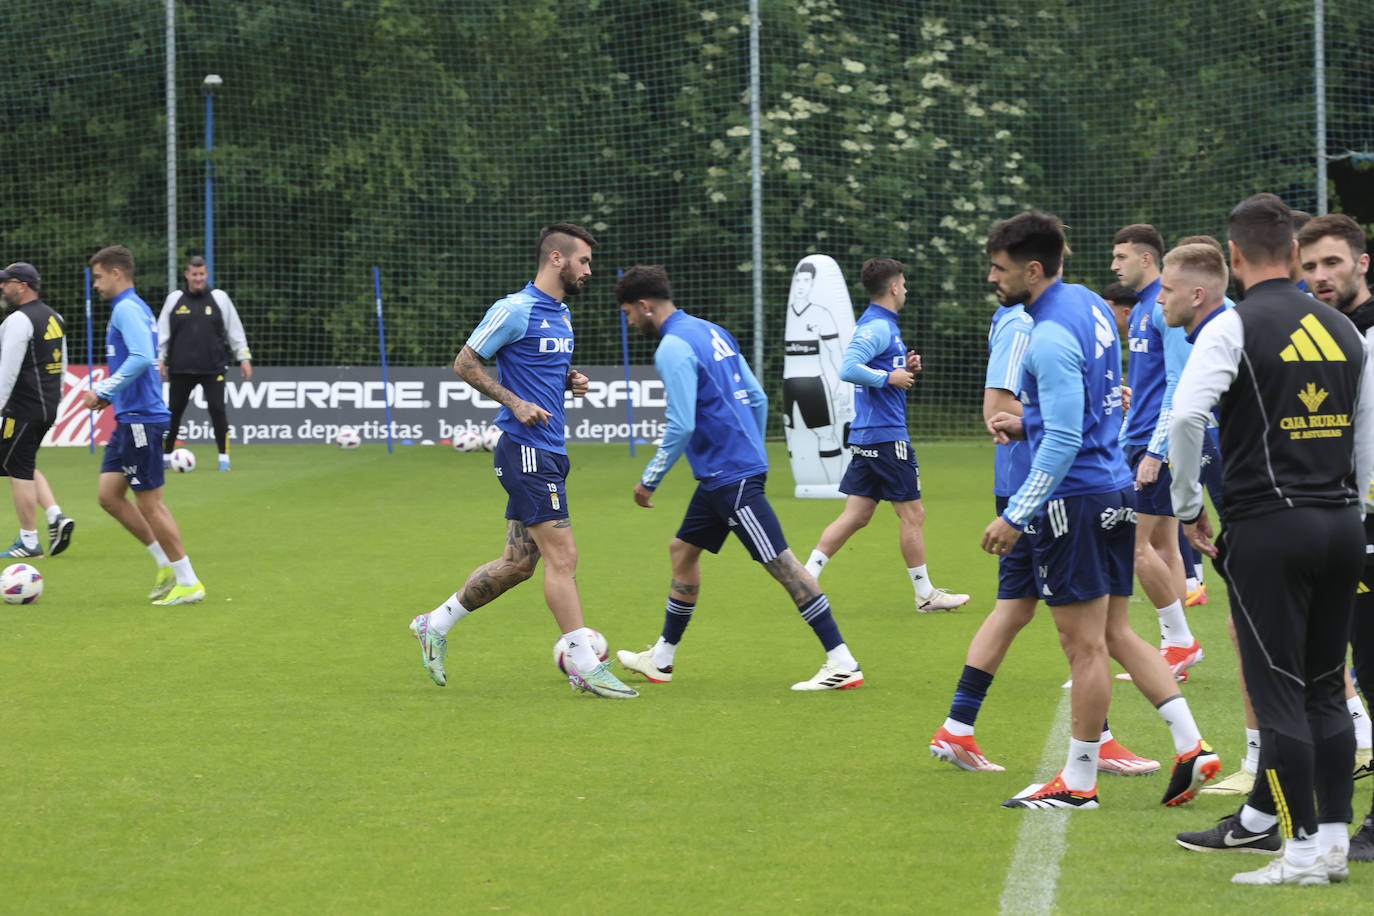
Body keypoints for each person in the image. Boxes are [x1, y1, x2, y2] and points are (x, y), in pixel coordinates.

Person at [981, 211, 1218, 810]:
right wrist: (1029, 418)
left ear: (1033, 269)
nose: (992, 278)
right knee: (1116, 633)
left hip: (1075, 501)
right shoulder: (1088, 302)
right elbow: (1089, 405)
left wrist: (1017, 514)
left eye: (1000, 269)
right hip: (1115, 489)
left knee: (1083, 646)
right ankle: (1193, 746)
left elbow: (1063, 441)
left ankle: (1079, 782)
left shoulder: (1049, 335)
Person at [1170, 194, 1373, 886]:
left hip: (1269, 525)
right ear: (1294, 255)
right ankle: (1337, 843)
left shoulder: (1231, 326)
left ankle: (1300, 850)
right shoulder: (1347, 331)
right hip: (1344, 522)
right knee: (1326, 689)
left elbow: (1185, 417)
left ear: (1233, 257)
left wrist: (1188, 503)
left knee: (1280, 691)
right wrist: (1353, 503)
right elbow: (1364, 438)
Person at [929, 258, 1157, 777]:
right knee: (1082, 627)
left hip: (1042, 489)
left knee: (1019, 610)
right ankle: (1099, 746)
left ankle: (958, 728)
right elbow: (998, 407)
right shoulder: (1022, 323)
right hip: (1038, 491)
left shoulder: (1058, 309)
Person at [407, 223, 636, 699]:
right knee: (564, 557)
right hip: (525, 450)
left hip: (551, 448)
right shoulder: (514, 309)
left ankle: (435, 623)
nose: (588, 270)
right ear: (557, 259)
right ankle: (586, 665)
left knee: (518, 564)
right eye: (584, 261)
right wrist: (514, 403)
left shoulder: (563, 314)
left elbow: (541, 368)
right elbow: (465, 362)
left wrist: (570, 380)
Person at [613, 265, 863, 691]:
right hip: (722, 474)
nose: (630, 322)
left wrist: (649, 480)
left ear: (644, 305)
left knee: (783, 565)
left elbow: (681, 425)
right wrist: (751, 446)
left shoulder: (672, 347)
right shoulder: (710, 331)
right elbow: (759, 396)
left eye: (628, 314)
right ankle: (662, 659)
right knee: (682, 551)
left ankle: (842, 662)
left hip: (730, 476)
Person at [801, 258, 968, 612]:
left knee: (857, 515)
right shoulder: (877, 326)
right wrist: (887, 378)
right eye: (904, 284)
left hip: (868, 436)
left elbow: (872, 367)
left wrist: (901, 368)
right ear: (893, 287)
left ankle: (805, 576)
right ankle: (925, 595)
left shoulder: (882, 326)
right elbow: (848, 368)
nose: (906, 290)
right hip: (886, 437)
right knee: (913, 515)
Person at [1296, 211, 1374, 859]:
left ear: (1361, 264)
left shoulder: (1367, 336)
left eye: (1332, 263)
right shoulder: (1323, 336)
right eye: (1310, 266)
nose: (1320, 277)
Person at [81, 246, 206, 605]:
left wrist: (103, 388)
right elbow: (138, 363)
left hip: (141, 419)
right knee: (108, 496)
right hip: (128, 417)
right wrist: (112, 397)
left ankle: (188, 580)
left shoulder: (126, 309)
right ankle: (165, 563)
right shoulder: (133, 307)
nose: (96, 285)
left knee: (150, 504)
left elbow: (141, 358)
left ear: (116, 273)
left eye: (99, 277)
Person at [1111, 224, 1202, 680]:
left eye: (1121, 257)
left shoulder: (1162, 307)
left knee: (1132, 544)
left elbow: (1178, 385)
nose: (1114, 265)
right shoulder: (1145, 307)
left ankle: (1180, 640)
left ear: (1147, 259)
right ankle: (1176, 646)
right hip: (1141, 438)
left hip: (1153, 446)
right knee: (1164, 543)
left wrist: (1154, 449)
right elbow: (1151, 383)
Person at [0, 262, 74, 558]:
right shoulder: (54, 317)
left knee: (17, 467)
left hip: (21, 409)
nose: (2, 287)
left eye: (7, 282)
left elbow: (7, 371)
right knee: (20, 461)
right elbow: (64, 366)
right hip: (45, 406)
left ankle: (29, 541)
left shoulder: (19, 320)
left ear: (24, 285)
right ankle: (55, 516)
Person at [158, 256, 252, 471]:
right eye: (194, 275)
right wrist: (159, 358)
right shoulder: (175, 299)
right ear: (187, 275)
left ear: (206, 275)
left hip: (213, 368)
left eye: (201, 275)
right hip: (181, 369)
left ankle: (223, 458)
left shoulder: (219, 298)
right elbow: (162, 332)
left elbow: (235, 330)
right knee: (173, 412)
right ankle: (165, 456)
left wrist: (244, 357)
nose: (198, 279)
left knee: (218, 410)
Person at [782, 261, 850, 484]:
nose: (801, 285)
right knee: (793, 435)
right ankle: (808, 482)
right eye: (798, 280)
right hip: (790, 385)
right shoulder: (791, 316)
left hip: (814, 384)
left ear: (812, 284)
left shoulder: (821, 314)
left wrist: (840, 383)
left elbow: (834, 354)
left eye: (806, 281)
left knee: (825, 434)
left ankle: (837, 483)